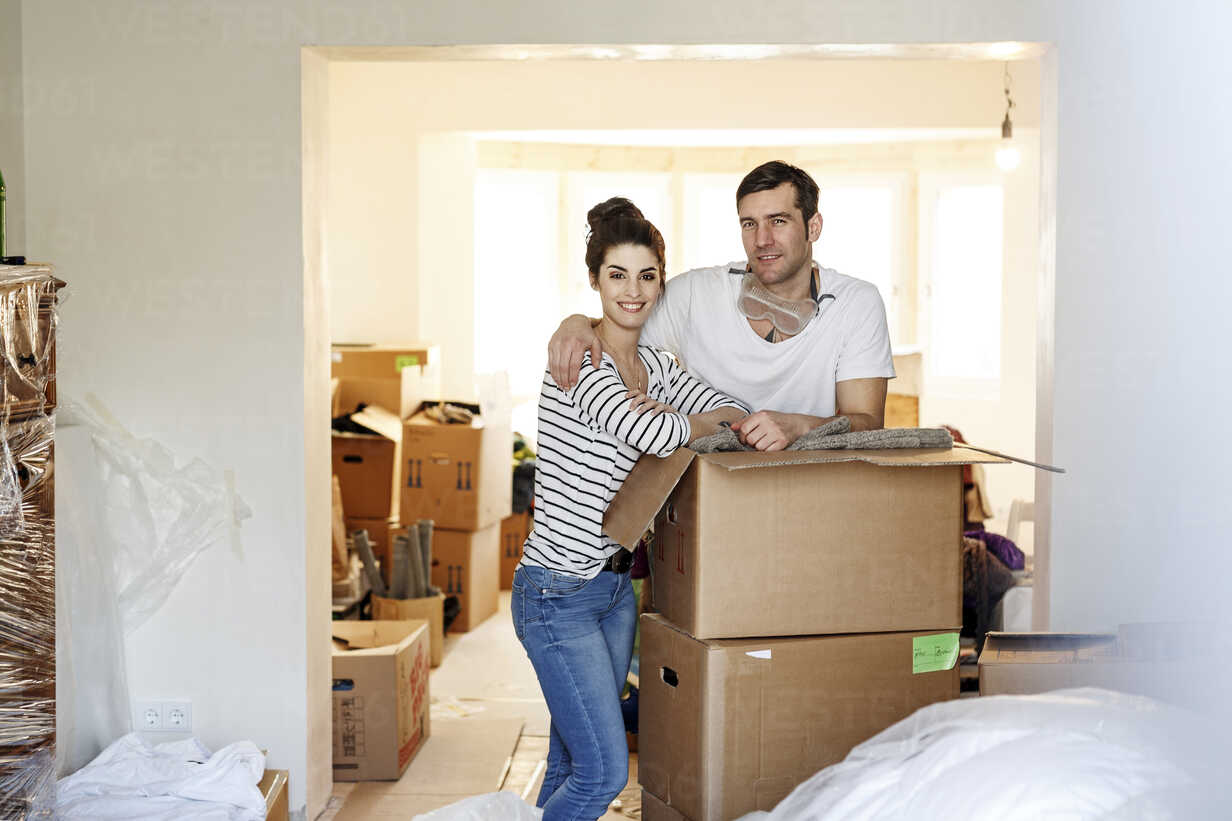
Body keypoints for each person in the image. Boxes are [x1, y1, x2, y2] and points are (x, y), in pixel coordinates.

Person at [514, 198, 749, 820]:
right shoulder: (579, 360)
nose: (633, 290)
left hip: (616, 592)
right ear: (594, 281)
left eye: (647, 275)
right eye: (617, 274)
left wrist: (683, 417)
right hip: (555, 594)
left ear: (660, 282)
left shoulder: (655, 366)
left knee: (571, 763)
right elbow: (652, 435)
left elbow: (731, 407)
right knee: (605, 773)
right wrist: (680, 421)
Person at [549, 161, 895, 451]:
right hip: (707, 496)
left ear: (813, 227)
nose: (762, 240)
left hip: (805, 493)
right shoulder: (695, 294)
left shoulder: (856, 303)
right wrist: (576, 322)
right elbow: (620, 327)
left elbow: (868, 424)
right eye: (749, 224)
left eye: (778, 221)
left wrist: (799, 426)